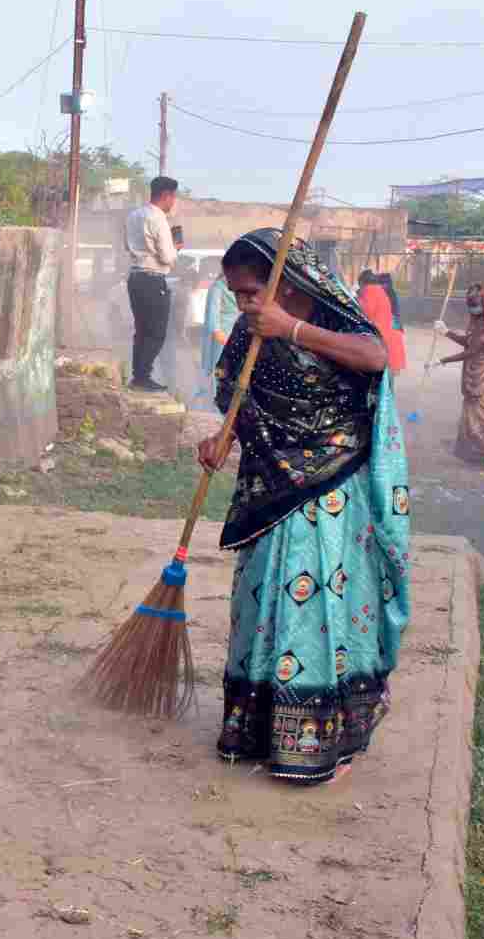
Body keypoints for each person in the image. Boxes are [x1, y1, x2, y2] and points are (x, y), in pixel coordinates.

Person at [196, 229, 407, 784]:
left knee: (320, 606)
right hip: (271, 491)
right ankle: (260, 729)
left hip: (331, 489)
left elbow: (376, 356)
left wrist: (290, 329)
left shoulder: (333, 314)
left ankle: (324, 734)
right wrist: (222, 439)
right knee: (261, 601)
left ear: (285, 282)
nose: (243, 303)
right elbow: (240, 400)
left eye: (249, 291)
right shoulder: (248, 331)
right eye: (235, 294)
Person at [435, 283, 484, 462]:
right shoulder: (482, 317)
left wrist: (442, 360)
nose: (473, 310)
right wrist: (446, 332)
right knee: (472, 411)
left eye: (476, 306)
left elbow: (471, 350)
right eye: (471, 306)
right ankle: (470, 447)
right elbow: (469, 341)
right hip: (476, 372)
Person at [124, 176, 182, 391]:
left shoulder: (133, 215)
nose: (173, 202)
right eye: (173, 197)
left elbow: (127, 245)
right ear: (166, 195)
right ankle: (142, 377)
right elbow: (167, 257)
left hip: (135, 277)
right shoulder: (158, 219)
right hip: (152, 279)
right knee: (156, 333)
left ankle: (138, 376)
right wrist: (177, 248)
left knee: (142, 330)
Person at [357, 270, 407, 373]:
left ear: (362, 283)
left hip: (381, 338)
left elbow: (366, 311)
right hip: (390, 336)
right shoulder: (381, 291)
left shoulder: (370, 291)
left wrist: (357, 299)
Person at [200, 263, 238, 377]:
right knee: (217, 366)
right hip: (222, 333)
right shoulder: (218, 287)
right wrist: (217, 332)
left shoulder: (240, 285)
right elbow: (212, 314)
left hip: (235, 332)